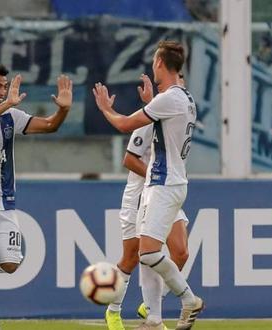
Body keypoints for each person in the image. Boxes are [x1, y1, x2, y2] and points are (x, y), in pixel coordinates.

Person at [0, 62, 72, 330]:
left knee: (10, 265)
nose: (2, 91)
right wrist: (6, 105)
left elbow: (50, 126)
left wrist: (63, 110)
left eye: (4, 87)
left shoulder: (12, 117)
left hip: (4, 203)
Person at [93, 40, 202, 330]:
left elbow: (125, 125)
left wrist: (105, 109)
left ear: (159, 64)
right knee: (144, 253)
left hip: (163, 183)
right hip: (169, 183)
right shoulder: (185, 99)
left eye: (154, 61)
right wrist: (152, 101)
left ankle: (187, 300)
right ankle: (152, 318)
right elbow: (158, 126)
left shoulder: (169, 100)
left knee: (150, 253)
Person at [105, 74, 190, 330]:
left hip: (163, 191)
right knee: (132, 256)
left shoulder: (177, 115)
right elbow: (129, 159)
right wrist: (157, 174)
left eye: (183, 84)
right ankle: (113, 310)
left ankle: (151, 307)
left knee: (181, 252)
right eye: (179, 83)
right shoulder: (149, 118)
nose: (181, 89)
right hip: (141, 193)